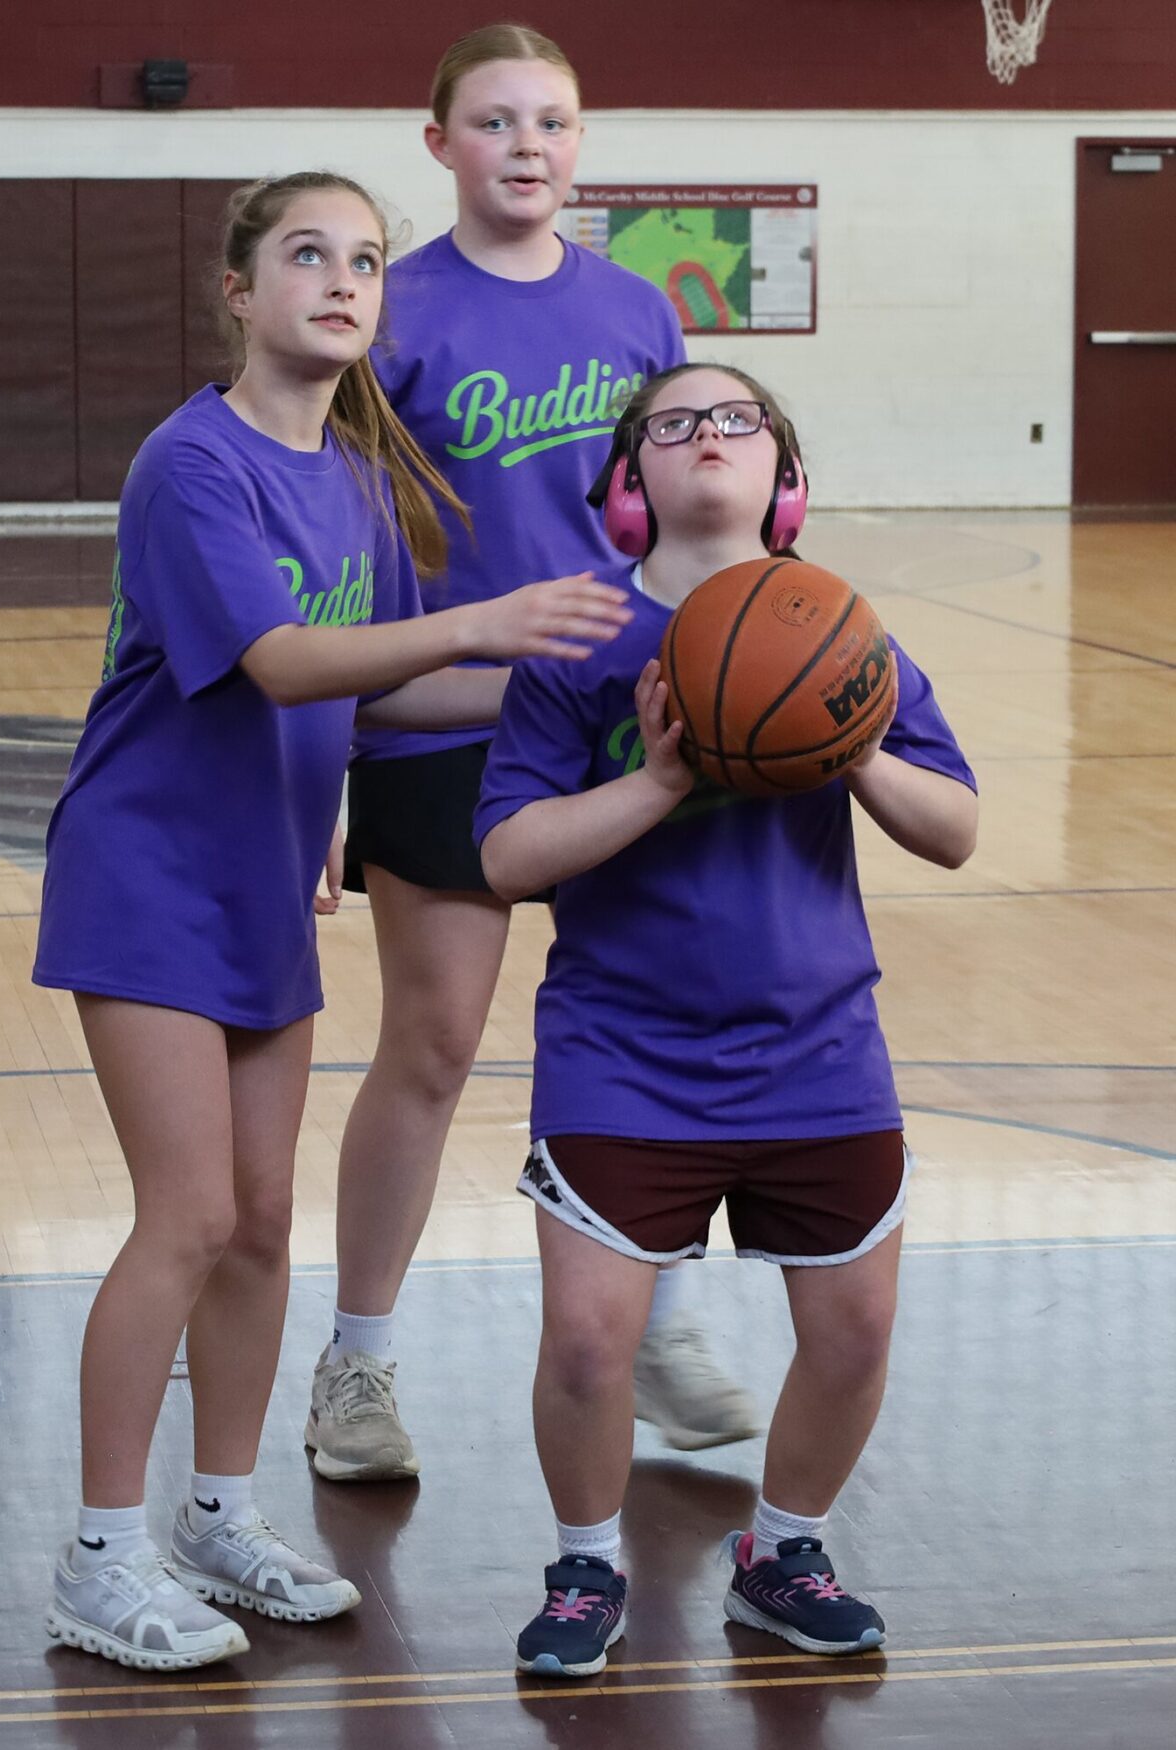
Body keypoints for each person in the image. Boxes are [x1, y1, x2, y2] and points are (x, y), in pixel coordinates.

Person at [31, 169, 631, 1673]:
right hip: (149, 866)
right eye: (309, 255)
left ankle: (219, 1517)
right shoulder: (194, 461)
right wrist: (483, 617)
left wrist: (565, 675)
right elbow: (287, 661)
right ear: (240, 290)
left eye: (365, 259)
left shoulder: (358, 479)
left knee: (261, 1221)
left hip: (264, 875)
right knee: (189, 1215)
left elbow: (374, 698)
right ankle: (99, 1555)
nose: (345, 280)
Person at [474, 362, 979, 1677]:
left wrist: (856, 748)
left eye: (739, 419)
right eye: (674, 423)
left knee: (853, 1334)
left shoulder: (845, 635)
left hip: (820, 1045)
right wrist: (656, 779)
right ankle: (588, 1566)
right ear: (628, 483)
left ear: (785, 475)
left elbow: (956, 828)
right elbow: (509, 856)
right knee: (588, 1344)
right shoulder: (583, 641)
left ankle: (784, 1552)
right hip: (622, 1048)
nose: (709, 436)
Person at [308, 22, 759, 1486]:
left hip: (620, 721)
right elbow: (337, 537)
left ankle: (663, 1323)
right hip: (446, 715)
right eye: (496, 121)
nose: (527, 146)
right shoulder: (396, 311)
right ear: (438, 143)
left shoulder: (635, 311)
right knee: (434, 1043)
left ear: (581, 144)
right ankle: (358, 1359)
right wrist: (323, 754)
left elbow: (685, 516)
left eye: (552, 122)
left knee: (653, 1025)